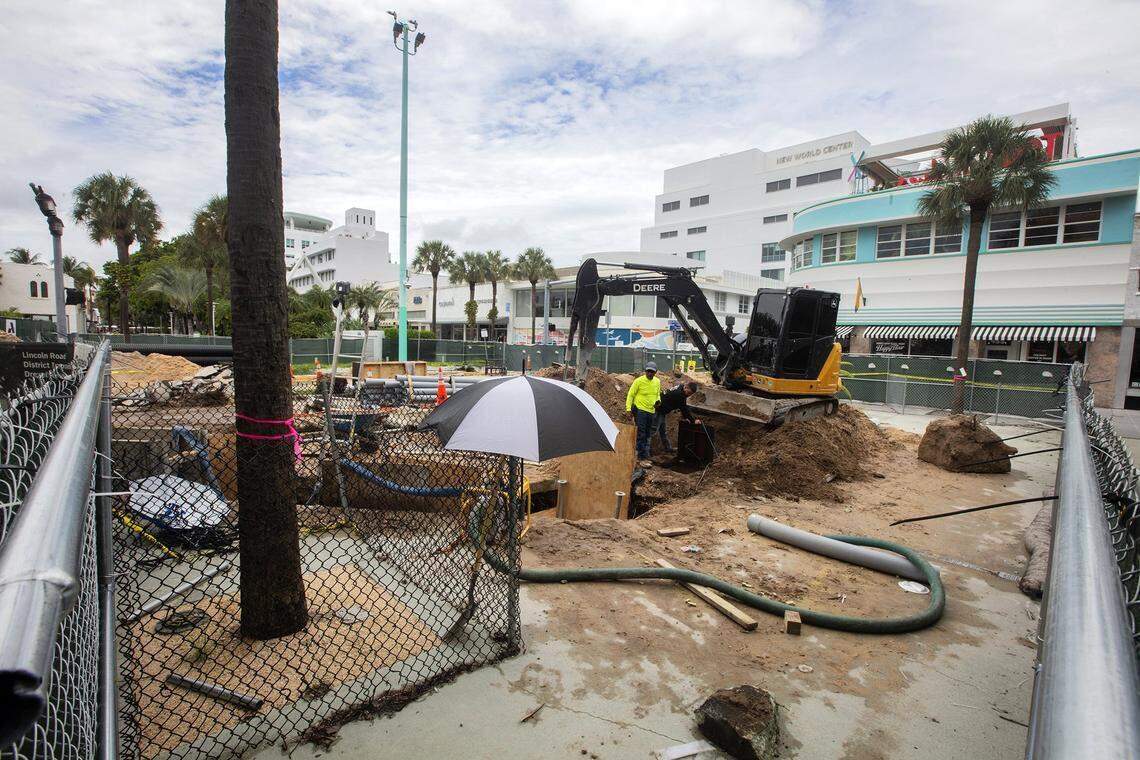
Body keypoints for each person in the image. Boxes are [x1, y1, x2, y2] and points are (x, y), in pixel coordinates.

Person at [625, 362, 662, 467]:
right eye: (648, 371)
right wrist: (628, 409)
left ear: (655, 372)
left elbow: (657, 394)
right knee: (641, 434)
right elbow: (630, 395)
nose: (650, 373)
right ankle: (641, 458)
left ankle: (644, 455)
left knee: (647, 434)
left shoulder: (657, 382)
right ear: (645, 371)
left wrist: (658, 401)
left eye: (652, 372)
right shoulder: (638, 381)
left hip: (651, 411)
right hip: (640, 411)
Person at [654, 381, 699, 452]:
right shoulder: (679, 395)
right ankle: (643, 451)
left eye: (690, 394)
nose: (688, 395)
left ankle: (667, 448)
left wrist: (686, 418)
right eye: (688, 393)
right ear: (686, 387)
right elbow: (684, 409)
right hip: (658, 410)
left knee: (663, 431)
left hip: (662, 410)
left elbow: (683, 408)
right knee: (653, 430)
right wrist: (693, 421)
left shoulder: (680, 387)